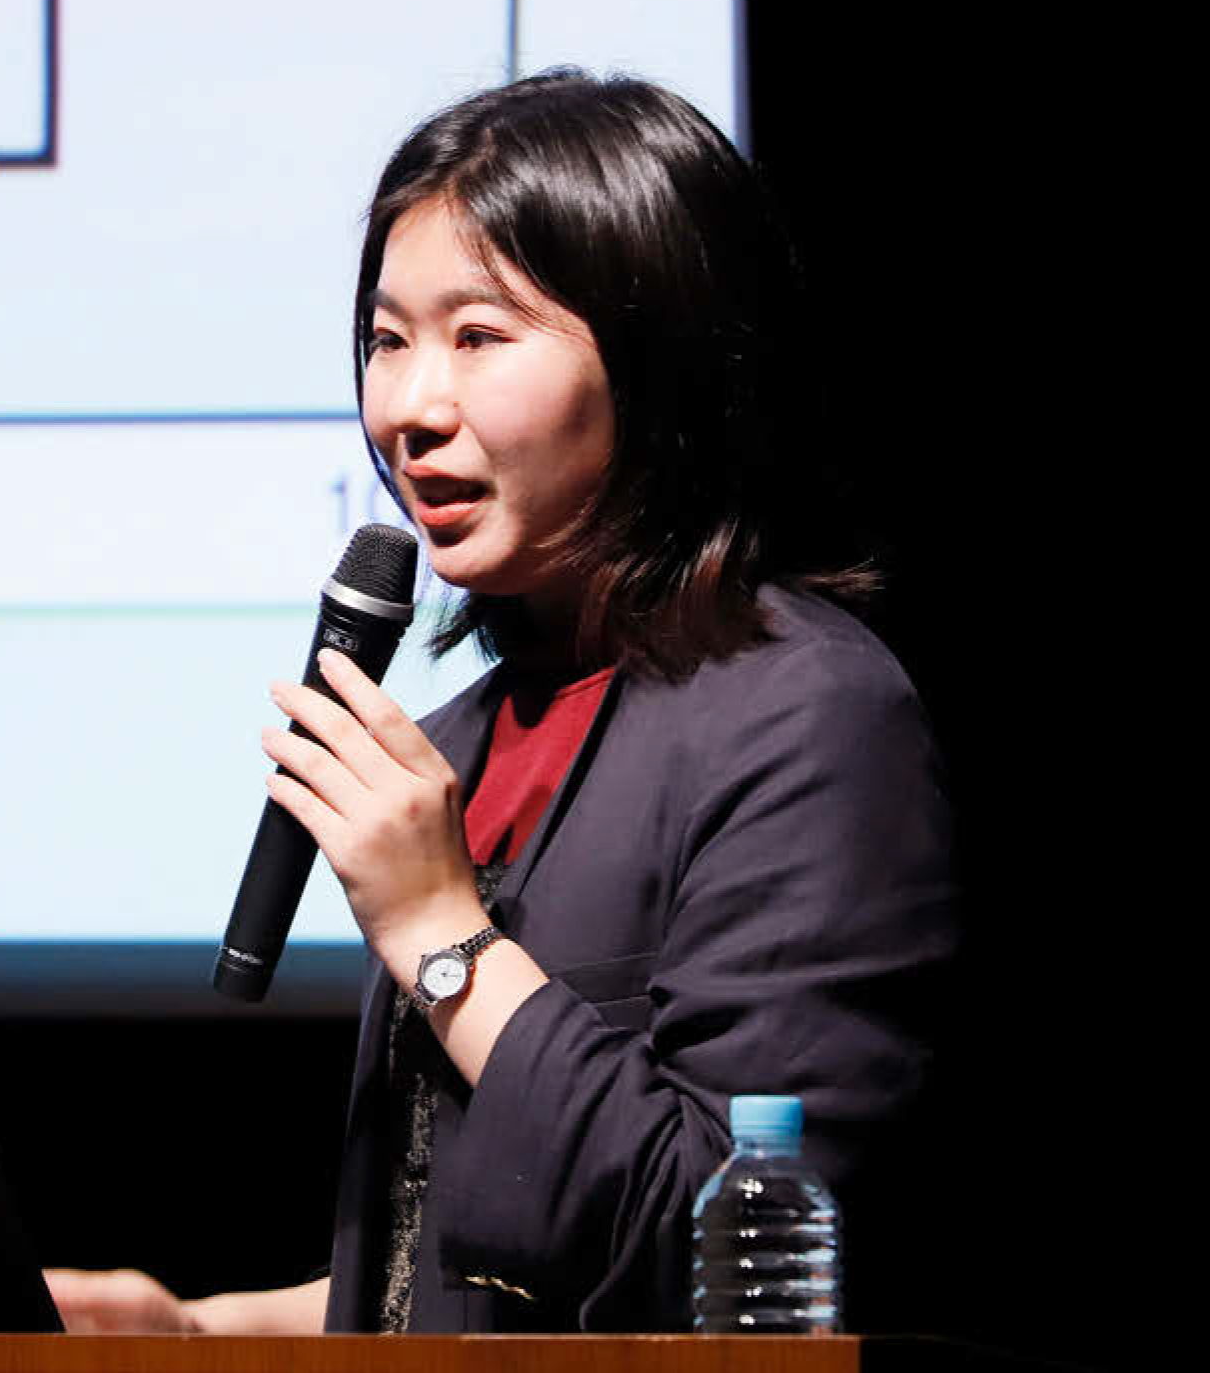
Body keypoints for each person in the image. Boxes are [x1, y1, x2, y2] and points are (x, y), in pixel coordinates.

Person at [48, 69, 956, 1335]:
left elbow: (724, 1263)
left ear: (658, 361)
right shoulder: (462, 742)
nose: (410, 408)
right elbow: (460, 1285)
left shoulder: (804, 717)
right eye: (386, 340)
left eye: (478, 337)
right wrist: (201, 1329)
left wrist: (440, 929)